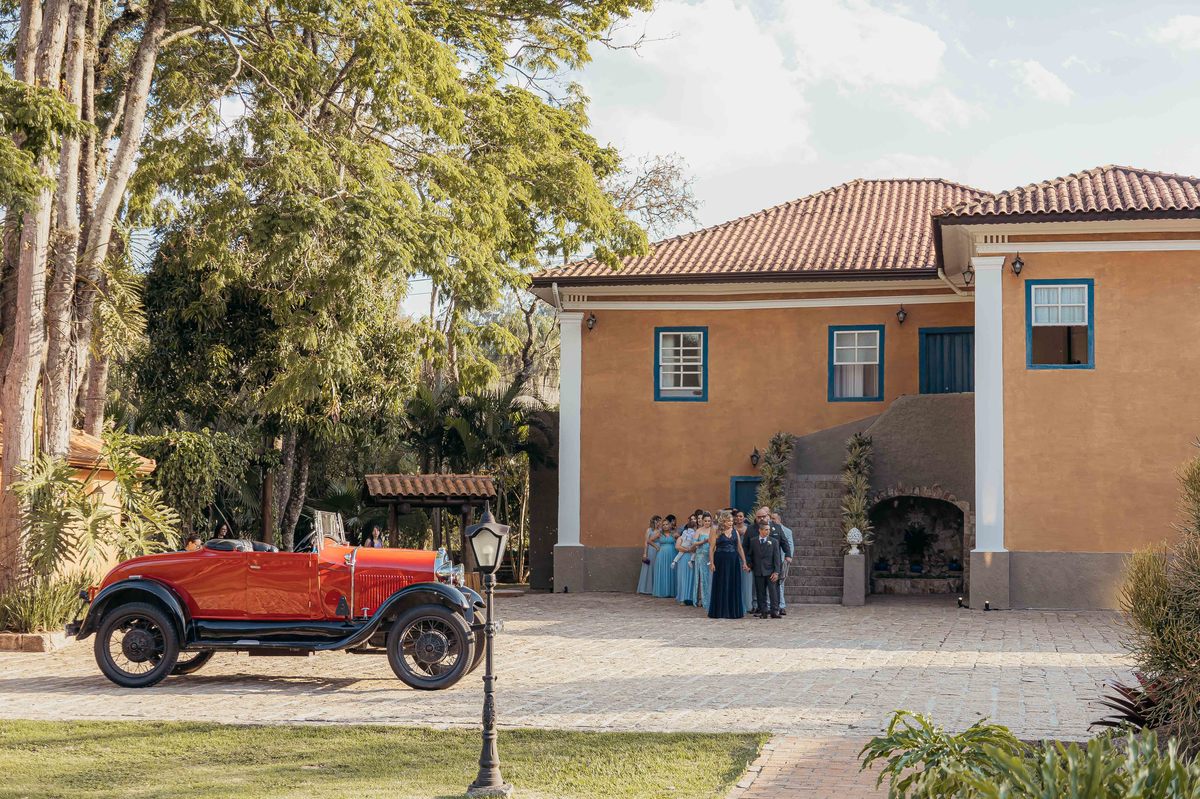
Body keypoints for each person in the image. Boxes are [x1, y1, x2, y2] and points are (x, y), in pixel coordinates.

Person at [707, 510, 748, 619]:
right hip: (720, 561)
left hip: (733, 561)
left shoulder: (735, 532)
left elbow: (739, 547)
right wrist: (712, 563)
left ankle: (732, 611)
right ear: (722, 521)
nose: (730, 523)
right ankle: (720, 611)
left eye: (731, 521)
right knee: (721, 584)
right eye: (728, 521)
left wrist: (744, 562)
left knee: (732, 584)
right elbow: (711, 549)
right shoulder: (716, 531)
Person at [746, 517, 784, 619]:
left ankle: (774, 611)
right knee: (760, 592)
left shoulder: (774, 541)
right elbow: (749, 555)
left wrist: (776, 572)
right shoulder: (753, 541)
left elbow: (777, 558)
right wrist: (749, 565)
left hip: (770, 571)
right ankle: (763, 611)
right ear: (760, 530)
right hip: (758, 571)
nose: (768, 531)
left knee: (773, 592)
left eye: (769, 529)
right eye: (766, 530)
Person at [771, 512, 795, 615]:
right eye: (771, 518)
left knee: (780, 584)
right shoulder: (769, 529)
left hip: (782, 560)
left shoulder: (787, 531)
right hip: (771, 560)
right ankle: (777, 605)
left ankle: (781, 605)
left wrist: (788, 557)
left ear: (779, 520)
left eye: (774, 518)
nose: (772, 520)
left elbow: (790, 545)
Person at [733, 509, 754, 612]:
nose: (739, 518)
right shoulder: (731, 529)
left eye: (741, 516)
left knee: (747, 582)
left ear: (744, 518)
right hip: (734, 558)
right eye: (737, 516)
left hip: (746, 558)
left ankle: (747, 605)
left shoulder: (749, 529)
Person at [674, 520, 699, 606]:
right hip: (686, 558)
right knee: (685, 577)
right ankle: (685, 598)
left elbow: (679, 547)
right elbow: (677, 547)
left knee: (688, 577)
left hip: (686, 557)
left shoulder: (682, 537)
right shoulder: (682, 537)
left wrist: (686, 550)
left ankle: (689, 598)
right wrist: (688, 550)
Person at [636, 516, 663, 594]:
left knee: (656, 567)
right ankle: (646, 588)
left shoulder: (661, 530)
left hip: (659, 550)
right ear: (655, 522)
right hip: (651, 550)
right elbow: (646, 542)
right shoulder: (649, 530)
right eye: (659, 521)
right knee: (649, 568)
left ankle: (655, 588)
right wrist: (645, 553)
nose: (660, 523)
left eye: (660, 522)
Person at [693, 511, 714, 609]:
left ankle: (710, 599)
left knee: (709, 578)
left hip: (710, 556)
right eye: (705, 521)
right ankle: (701, 599)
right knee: (701, 578)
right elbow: (694, 543)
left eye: (709, 521)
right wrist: (703, 541)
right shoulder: (699, 530)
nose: (707, 523)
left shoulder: (713, 530)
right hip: (701, 556)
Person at [651, 520, 677, 598]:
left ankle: (671, 592)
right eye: (663, 525)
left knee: (671, 571)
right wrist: (656, 546)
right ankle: (662, 592)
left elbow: (681, 540)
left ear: (670, 525)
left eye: (667, 524)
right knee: (662, 571)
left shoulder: (674, 534)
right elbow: (649, 540)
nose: (665, 526)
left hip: (672, 554)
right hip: (661, 555)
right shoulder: (659, 534)